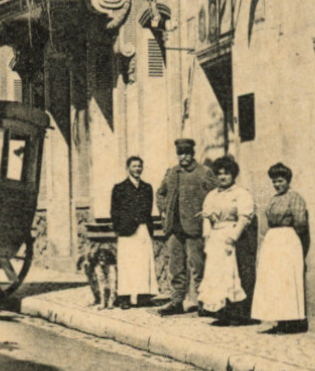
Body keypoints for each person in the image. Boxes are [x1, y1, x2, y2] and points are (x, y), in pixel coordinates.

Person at [155, 138, 216, 316]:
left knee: (198, 265)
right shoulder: (172, 172)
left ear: (192, 154)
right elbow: (160, 193)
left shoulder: (204, 172)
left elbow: (216, 193)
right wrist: (163, 210)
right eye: (180, 154)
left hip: (194, 227)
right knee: (175, 266)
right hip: (174, 228)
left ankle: (202, 301)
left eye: (186, 153)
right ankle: (176, 301)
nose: (183, 157)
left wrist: (207, 212)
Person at [197, 156, 257, 326]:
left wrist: (233, 237)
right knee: (217, 275)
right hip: (216, 238)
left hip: (232, 238)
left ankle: (239, 314)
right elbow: (206, 217)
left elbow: (244, 218)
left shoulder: (241, 194)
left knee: (232, 275)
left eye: (227, 174)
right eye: (220, 174)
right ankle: (222, 312)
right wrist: (207, 238)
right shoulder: (211, 195)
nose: (223, 177)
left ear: (233, 175)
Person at [251, 163, 309, 333]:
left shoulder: (295, 197)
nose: (277, 185)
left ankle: (289, 322)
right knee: (273, 281)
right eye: (274, 182)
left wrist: (289, 238)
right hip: (273, 240)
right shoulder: (273, 199)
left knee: (286, 281)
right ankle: (278, 321)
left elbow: (301, 223)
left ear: (288, 180)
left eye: (280, 181)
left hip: (287, 241)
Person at [109, 155, 156, 309]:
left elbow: (148, 210)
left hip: (143, 229)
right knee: (127, 264)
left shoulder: (147, 188)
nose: (137, 169)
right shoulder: (120, 188)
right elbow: (114, 212)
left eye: (139, 166)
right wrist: (120, 228)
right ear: (128, 168)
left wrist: (149, 228)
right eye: (134, 166)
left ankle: (144, 296)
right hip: (126, 231)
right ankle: (124, 297)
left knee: (143, 263)